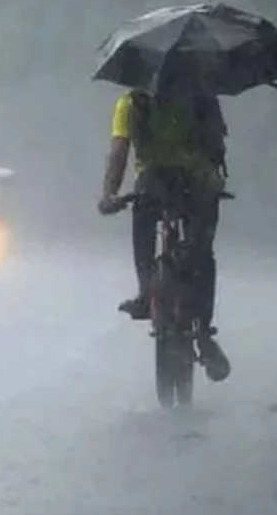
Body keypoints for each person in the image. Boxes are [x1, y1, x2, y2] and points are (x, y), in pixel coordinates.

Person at [97, 77, 231, 382]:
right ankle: (203, 332)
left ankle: (146, 291)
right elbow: (216, 147)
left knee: (143, 223)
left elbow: (119, 152)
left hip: (153, 184)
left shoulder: (131, 103)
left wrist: (109, 195)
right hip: (197, 184)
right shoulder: (202, 96)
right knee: (202, 251)